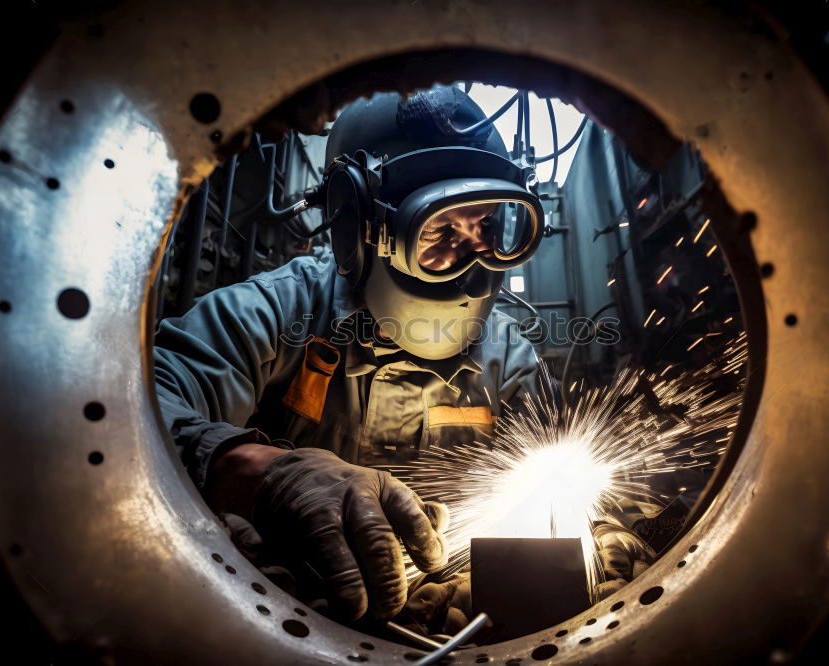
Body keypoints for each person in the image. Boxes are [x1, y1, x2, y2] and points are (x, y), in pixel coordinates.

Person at [154, 85, 653, 631]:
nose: (476, 261)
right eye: (440, 228)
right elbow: (144, 405)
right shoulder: (281, 310)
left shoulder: (507, 353)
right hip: (280, 621)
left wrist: (598, 523)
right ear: (359, 227)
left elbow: (556, 470)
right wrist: (256, 471)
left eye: (489, 225)